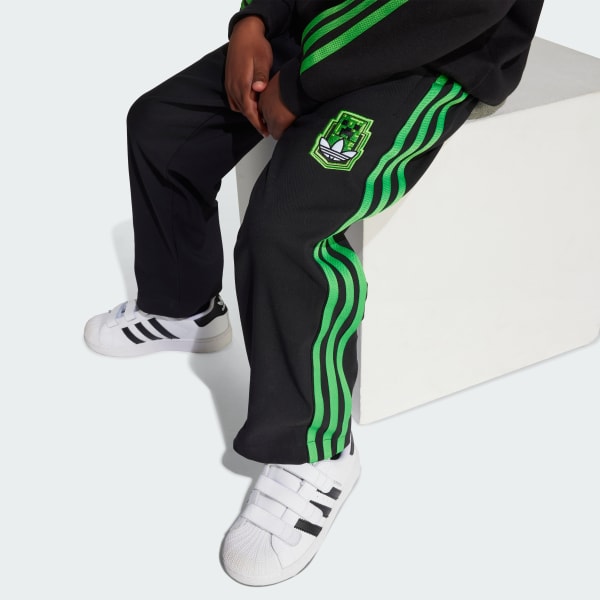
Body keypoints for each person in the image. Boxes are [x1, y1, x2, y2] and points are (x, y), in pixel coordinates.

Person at [84, 0, 545, 586]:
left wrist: (304, 84)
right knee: (161, 123)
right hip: (317, 27)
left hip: (430, 54)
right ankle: (183, 307)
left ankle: (316, 447)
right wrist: (255, 20)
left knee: (286, 224)